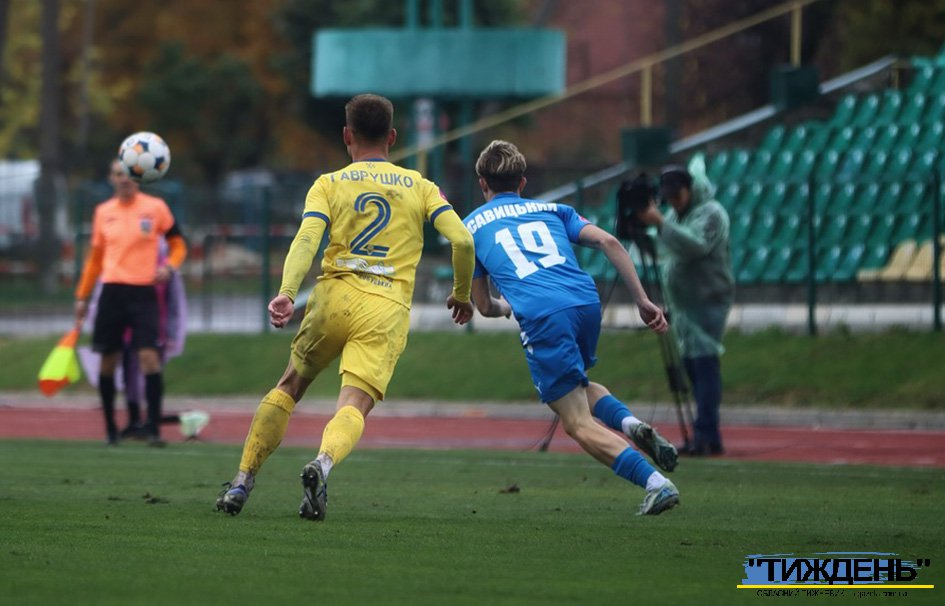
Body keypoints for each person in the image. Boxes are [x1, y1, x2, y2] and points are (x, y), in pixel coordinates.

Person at [215, 93, 475, 520]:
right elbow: (463, 241)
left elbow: (308, 238)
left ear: (346, 135)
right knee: (354, 404)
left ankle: (243, 481)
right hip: (385, 306)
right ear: (393, 136)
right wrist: (461, 294)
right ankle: (322, 464)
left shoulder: (329, 183)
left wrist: (287, 291)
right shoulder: (421, 186)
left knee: (288, 386)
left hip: (333, 298)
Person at [465, 140, 679, 516]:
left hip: (543, 313)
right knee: (579, 386)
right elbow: (609, 241)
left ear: (482, 183)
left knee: (576, 422)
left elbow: (483, 305)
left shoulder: (470, 228)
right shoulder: (554, 209)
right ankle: (631, 424)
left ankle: (655, 483)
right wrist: (643, 300)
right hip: (584, 301)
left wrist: (508, 307)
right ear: (523, 182)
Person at [74, 159, 188, 446]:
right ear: (111, 178)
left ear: (139, 177)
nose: (124, 179)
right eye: (118, 174)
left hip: (144, 293)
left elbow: (178, 244)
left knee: (149, 358)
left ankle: (153, 430)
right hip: (112, 292)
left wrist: (170, 267)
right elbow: (95, 259)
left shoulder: (155, 208)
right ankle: (111, 429)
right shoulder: (103, 212)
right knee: (108, 361)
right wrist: (82, 296)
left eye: (129, 174)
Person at [637, 158, 734, 456]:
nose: (674, 202)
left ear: (690, 189)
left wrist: (660, 224)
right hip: (683, 303)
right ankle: (705, 434)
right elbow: (663, 248)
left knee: (704, 364)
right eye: (669, 197)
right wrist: (640, 232)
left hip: (708, 298)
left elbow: (695, 245)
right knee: (693, 365)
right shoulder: (676, 215)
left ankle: (706, 433)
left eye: (678, 195)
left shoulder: (711, 213)